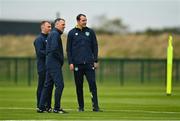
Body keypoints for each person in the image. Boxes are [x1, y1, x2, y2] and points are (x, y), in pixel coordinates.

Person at [66, 14, 101, 112]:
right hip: (77, 64)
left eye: (86, 20)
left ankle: (95, 106)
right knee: (79, 86)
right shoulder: (72, 33)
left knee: (92, 84)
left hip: (89, 64)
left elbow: (95, 46)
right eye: (83, 20)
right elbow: (68, 50)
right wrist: (70, 63)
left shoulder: (90, 32)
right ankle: (81, 107)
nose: (85, 22)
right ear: (78, 21)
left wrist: (95, 60)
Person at [38, 18, 67, 113]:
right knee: (60, 85)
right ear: (57, 24)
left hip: (49, 63)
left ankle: (41, 107)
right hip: (54, 63)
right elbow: (54, 49)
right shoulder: (55, 34)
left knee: (47, 85)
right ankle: (57, 108)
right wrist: (60, 60)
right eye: (63, 24)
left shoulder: (53, 34)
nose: (64, 26)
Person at [34, 21, 53, 112]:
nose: (50, 28)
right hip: (42, 67)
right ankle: (39, 105)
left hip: (50, 66)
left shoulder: (50, 38)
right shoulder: (39, 39)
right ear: (43, 27)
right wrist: (50, 53)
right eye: (48, 27)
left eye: (50, 26)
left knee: (49, 87)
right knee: (41, 86)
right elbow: (40, 52)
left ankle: (48, 106)